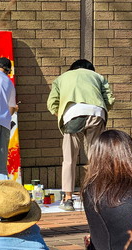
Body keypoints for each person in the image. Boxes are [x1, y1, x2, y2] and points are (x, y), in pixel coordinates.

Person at [47, 59, 115, 211]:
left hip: (72, 114)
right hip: (96, 112)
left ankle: (68, 199)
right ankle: (97, 194)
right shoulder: (97, 76)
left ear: (73, 68)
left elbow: (52, 103)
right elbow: (109, 99)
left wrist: (62, 114)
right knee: (96, 155)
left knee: (69, 158)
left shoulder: (62, 78)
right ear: (90, 69)